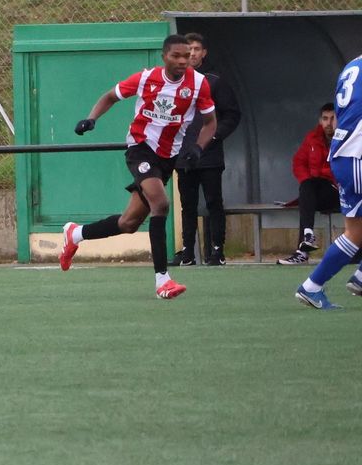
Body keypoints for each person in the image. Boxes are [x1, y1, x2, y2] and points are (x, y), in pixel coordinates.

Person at [59, 34, 217, 299]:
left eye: (187, 56)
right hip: (140, 148)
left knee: (129, 222)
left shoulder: (199, 84)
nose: (182, 61)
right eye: (176, 56)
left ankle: (75, 234)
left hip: (167, 157)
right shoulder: (145, 78)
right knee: (161, 204)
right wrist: (91, 119)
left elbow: (210, 123)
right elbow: (110, 96)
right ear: (164, 56)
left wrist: (199, 148)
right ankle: (162, 281)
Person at [295, 57, 362, 310]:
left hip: (345, 155)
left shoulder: (353, 65)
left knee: (356, 232)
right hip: (358, 155)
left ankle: (312, 287)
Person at [173, 32, 241, 266]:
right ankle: (188, 253)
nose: (191, 53)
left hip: (209, 156)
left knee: (213, 202)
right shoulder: (174, 80)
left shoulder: (214, 81)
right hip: (183, 155)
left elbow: (232, 115)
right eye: (187, 49)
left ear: (204, 53)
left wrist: (213, 136)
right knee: (187, 205)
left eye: (196, 49)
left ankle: (217, 252)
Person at [279, 103, 339, 267]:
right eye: (325, 119)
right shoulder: (312, 138)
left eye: (332, 118)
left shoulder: (347, 138)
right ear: (320, 120)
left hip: (341, 192)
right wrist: (308, 180)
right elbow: (298, 162)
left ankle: (303, 250)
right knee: (307, 189)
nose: (328, 123)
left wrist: (318, 178)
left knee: (308, 189)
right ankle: (306, 239)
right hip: (316, 190)